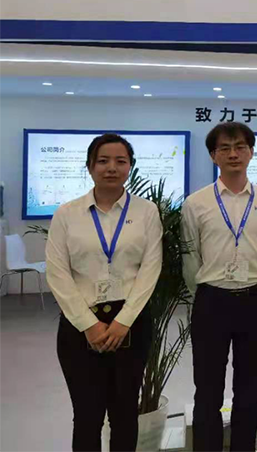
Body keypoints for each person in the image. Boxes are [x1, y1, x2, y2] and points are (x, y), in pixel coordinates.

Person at [46, 133, 163, 452]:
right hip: (79, 327)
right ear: (89, 166)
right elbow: (57, 272)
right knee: (87, 415)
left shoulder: (147, 212)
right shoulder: (67, 214)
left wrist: (124, 321)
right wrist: (89, 324)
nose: (112, 167)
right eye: (103, 161)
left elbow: (151, 268)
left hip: (131, 325)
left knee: (125, 414)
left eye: (120, 161)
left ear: (130, 167)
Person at [182, 122, 257, 452]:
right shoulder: (196, 203)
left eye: (240, 147)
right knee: (207, 392)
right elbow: (190, 260)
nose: (233, 154)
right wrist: (210, 291)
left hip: (254, 302)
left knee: (249, 393)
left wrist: (254, 287)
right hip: (212, 303)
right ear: (213, 156)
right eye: (224, 148)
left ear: (251, 152)